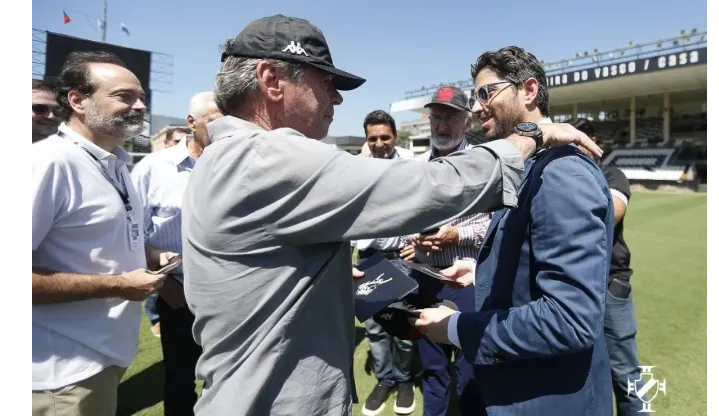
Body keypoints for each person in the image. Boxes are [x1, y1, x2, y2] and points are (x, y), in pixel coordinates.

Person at [181, 15, 602, 416]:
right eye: (326, 82)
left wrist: (315, 278)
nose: (337, 97)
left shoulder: (223, 158)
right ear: (272, 80)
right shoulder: (264, 158)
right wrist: (528, 136)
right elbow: (427, 188)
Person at [411, 46, 614, 415]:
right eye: (475, 96)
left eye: (487, 93)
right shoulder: (531, 165)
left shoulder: (561, 173)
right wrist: (480, 270)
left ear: (530, 90)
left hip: (550, 401)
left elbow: (570, 319)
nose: (476, 107)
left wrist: (456, 328)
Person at [32, 51, 175, 416]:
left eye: (141, 97)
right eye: (124, 96)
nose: (140, 106)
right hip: (61, 371)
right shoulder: (48, 162)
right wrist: (118, 285)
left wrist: (150, 254)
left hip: (105, 355)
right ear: (78, 101)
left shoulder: (115, 163)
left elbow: (98, 239)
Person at [130, 91, 222, 416]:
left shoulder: (239, 167)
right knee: (180, 381)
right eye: (214, 121)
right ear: (191, 122)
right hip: (176, 293)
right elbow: (130, 235)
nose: (223, 128)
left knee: (227, 382)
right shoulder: (153, 169)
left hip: (229, 295)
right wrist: (166, 289)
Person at [405, 85, 488, 416]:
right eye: (437, 117)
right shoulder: (416, 167)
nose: (442, 125)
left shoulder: (484, 164)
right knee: (433, 369)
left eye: (451, 118)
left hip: (466, 282)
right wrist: (410, 234)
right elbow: (403, 218)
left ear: (467, 123)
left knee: (469, 371)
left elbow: (494, 225)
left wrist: (457, 234)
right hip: (424, 278)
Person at [568, 117, 643, 416]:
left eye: (582, 139)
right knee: (580, 374)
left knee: (627, 374)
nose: (576, 146)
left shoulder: (611, 174)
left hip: (611, 285)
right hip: (573, 285)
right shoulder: (560, 177)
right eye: (571, 140)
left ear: (594, 141)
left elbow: (611, 213)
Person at [353, 110, 416, 416]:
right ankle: (385, 380)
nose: (379, 143)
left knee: (402, 328)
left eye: (384, 137)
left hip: (401, 258)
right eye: (372, 138)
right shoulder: (357, 169)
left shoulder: (411, 166)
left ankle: (404, 380)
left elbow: (425, 205)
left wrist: (416, 241)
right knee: (376, 328)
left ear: (395, 136)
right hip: (369, 258)